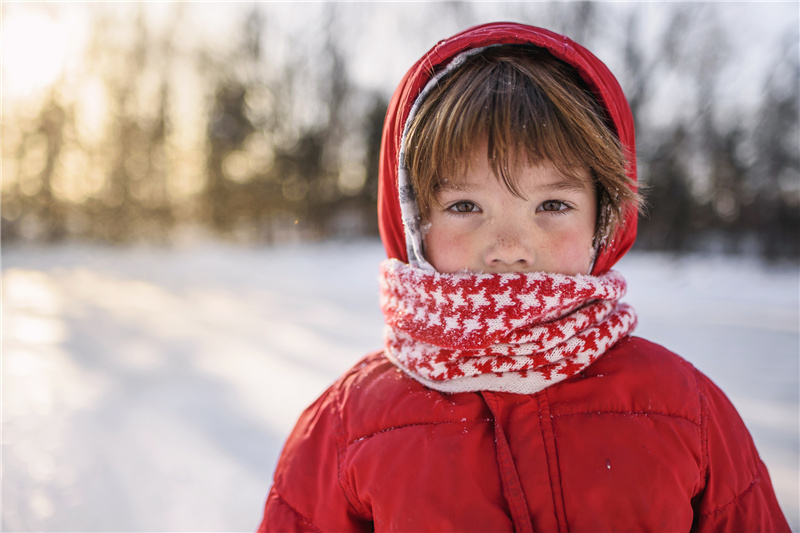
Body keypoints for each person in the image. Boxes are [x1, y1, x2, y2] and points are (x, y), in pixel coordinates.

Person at [257, 22, 790, 532]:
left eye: (552, 203)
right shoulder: (348, 424)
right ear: (413, 219)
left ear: (604, 215)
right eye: (466, 205)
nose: (510, 249)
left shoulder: (685, 408)